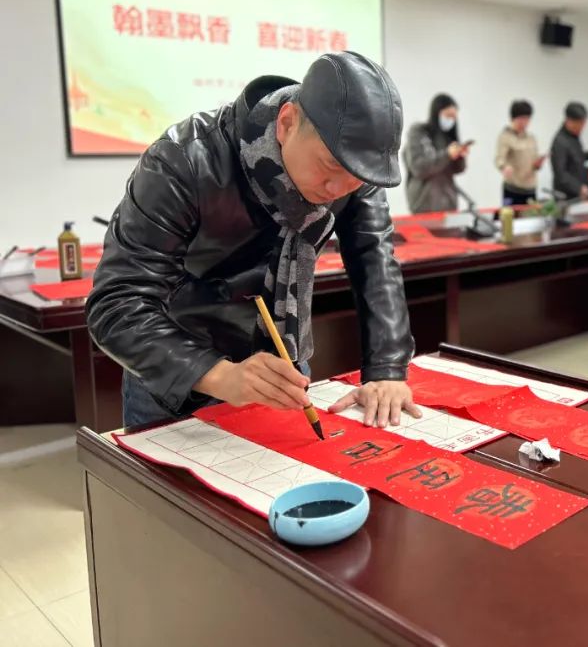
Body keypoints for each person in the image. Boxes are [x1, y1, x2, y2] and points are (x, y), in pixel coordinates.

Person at [86, 52, 420, 429]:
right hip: (176, 369)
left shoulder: (353, 170)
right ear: (287, 123)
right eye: (330, 166)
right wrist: (220, 375)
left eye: (356, 177)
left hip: (282, 368)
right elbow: (117, 302)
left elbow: (375, 262)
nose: (338, 189)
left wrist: (387, 370)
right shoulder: (185, 159)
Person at [402, 93, 469, 213]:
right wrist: (447, 155)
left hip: (448, 203)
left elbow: (458, 169)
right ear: (436, 112)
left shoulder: (448, 137)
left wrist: (460, 156)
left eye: (454, 117)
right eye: (448, 115)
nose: (451, 120)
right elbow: (419, 168)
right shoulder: (418, 132)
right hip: (423, 205)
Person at [495, 100, 544, 205]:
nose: (525, 122)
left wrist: (538, 164)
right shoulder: (505, 137)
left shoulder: (531, 138)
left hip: (530, 188)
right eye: (522, 119)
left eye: (527, 119)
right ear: (513, 118)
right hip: (513, 189)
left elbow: (535, 161)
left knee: (531, 215)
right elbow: (499, 158)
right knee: (510, 214)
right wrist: (504, 167)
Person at [550, 101, 588, 200]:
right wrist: (579, 187)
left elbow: (577, 157)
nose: (582, 128)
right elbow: (560, 173)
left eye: (584, 123)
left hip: (577, 193)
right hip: (565, 197)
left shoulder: (573, 137)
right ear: (569, 121)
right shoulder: (560, 142)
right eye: (580, 124)